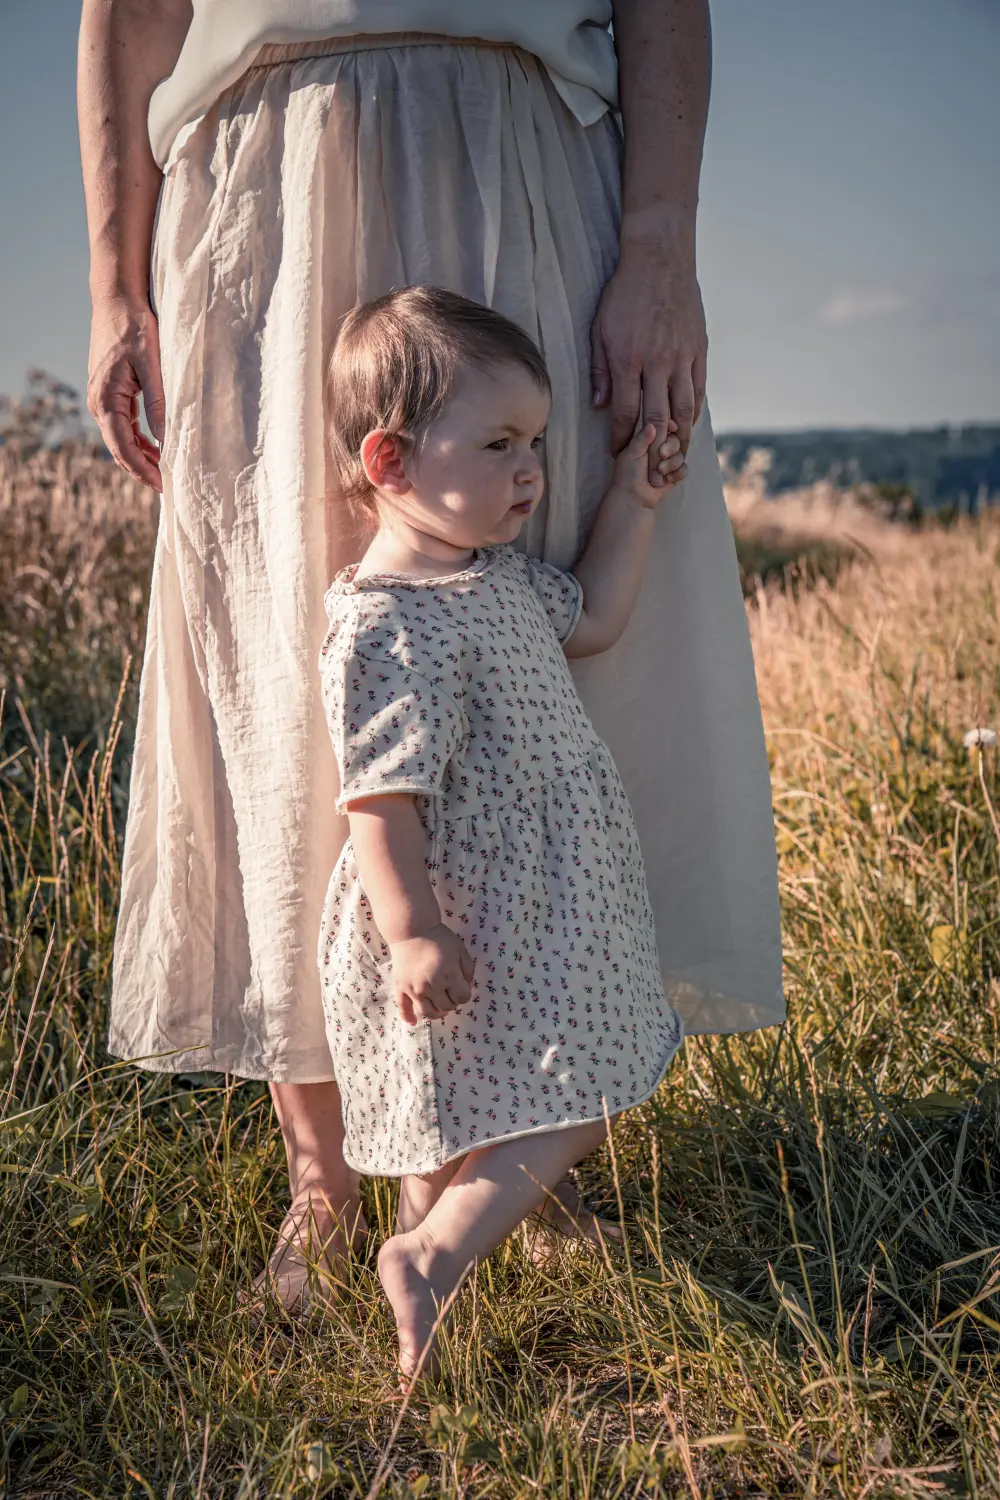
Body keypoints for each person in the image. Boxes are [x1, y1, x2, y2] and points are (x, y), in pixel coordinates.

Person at [78, 0, 785, 1311]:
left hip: (522, 144)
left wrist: (660, 243)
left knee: (540, 702)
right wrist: (115, 284)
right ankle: (322, 1178)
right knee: (288, 697)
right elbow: (127, 12)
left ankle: (510, 1150)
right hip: (266, 168)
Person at [319, 286, 686, 1375]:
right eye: (496, 444)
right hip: (467, 903)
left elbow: (599, 616)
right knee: (590, 1072)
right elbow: (378, 796)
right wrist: (414, 930)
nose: (530, 469)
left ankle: (447, 1275)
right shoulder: (387, 617)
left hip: (545, 894)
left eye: (534, 440)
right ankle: (432, 1254)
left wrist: (635, 494)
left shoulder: (495, 576)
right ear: (390, 464)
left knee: (471, 1097)